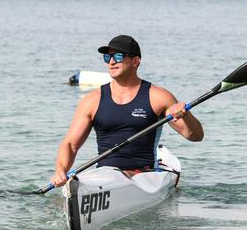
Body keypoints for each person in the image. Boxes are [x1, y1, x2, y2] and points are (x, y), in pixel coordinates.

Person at [50, 35, 204, 188]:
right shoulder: (92, 100)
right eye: (107, 57)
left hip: (144, 176)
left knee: (120, 177)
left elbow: (195, 136)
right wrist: (60, 171)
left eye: (118, 56)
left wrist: (186, 115)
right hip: (105, 175)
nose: (111, 62)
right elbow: (70, 144)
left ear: (136, 61)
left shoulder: (157, 97)